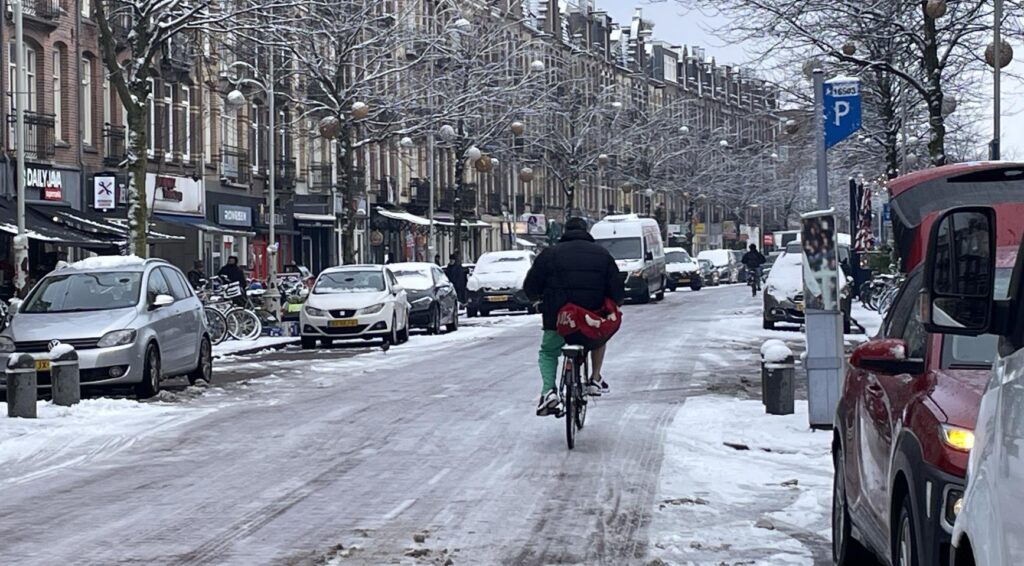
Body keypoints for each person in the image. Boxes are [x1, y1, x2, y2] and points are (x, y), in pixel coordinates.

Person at [524, 217, 625, 416]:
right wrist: (614, 302)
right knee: (598, 339)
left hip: (557, 319)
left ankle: (549, 392)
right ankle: (595, 379)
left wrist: (537, 300)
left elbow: (531, 285)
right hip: (590, 318)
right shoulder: (602, 255)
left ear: (565, 231)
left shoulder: (549, 254)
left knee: (549, 352)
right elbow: (617, 289)